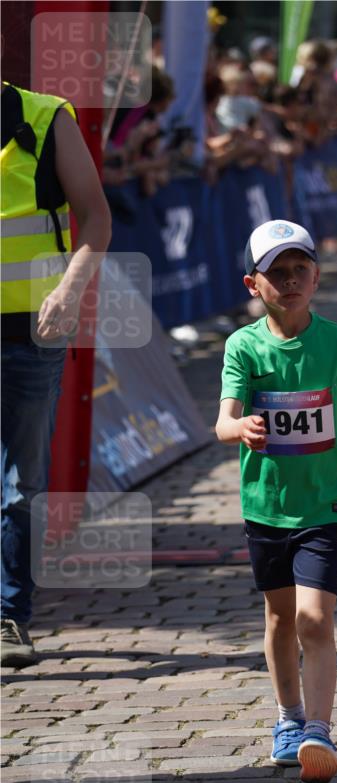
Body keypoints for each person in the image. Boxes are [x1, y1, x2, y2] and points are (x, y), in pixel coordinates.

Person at [216, 220, 337, 783]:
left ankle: (319, 730)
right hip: (265, 507)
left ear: (316, 276)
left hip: (326, 507)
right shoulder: (243, 345)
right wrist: (243, 429)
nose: (289, 281)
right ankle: (288, 717)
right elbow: (221, 422)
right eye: (276, 273)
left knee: (314, 617)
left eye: (299, 270)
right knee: (280, 618)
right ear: (252, 284)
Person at [1, 82, 111, 666]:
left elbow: (96, 217)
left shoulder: (45, 118)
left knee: (19, 484)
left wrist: (71, 290)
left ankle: (9, 617)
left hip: (29, 334)